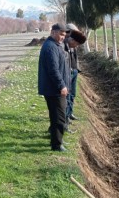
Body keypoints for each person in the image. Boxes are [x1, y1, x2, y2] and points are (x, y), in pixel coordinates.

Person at [38, 23, 71, 152]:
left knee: (55, 116)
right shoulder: (51, 47)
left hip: (54, 88)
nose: (63, 37)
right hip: (54, 89)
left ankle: (57, 139)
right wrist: (62, 85)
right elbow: (53, 70)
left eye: (64, 35)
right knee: (59, 117)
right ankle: (57, 145)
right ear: (53, 32)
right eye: (61, 34)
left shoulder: (54, 45)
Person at [64, 25, 87, 131]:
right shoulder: (64, 44)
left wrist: (77, 69)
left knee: (72, 94)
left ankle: (70, 113)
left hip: (74, 71)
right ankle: (66, 118)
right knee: (67, 97)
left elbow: (75, 58)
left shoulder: (73, 45)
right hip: (68, 73)